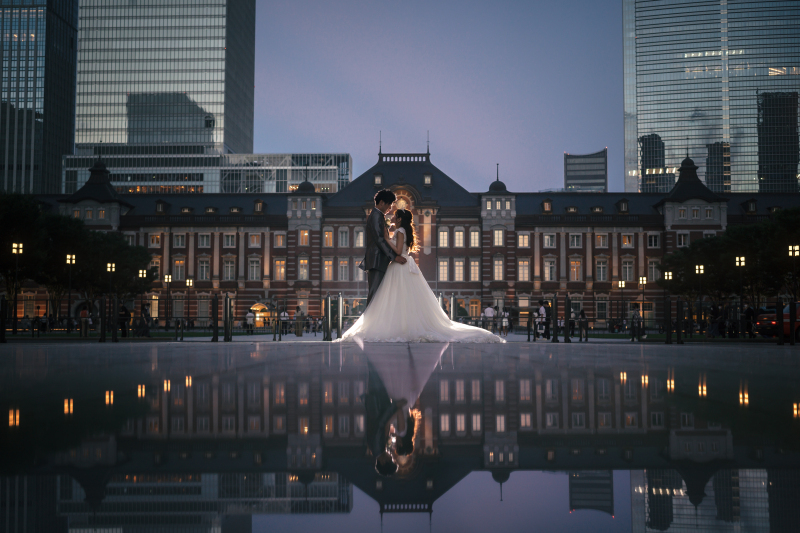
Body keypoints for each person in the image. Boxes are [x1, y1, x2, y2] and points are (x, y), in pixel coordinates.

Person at [336, 209, 503, 343]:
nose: (393, 218)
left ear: (399, 219)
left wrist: (386, 239)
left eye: (395, 216)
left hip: (399, 264)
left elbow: (398, 250)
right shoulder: (404, 230)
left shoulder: (400, 231)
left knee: (395, 297)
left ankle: (399, 327)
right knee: (406, 298)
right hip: (405, 264)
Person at [359, 189, 407, 310]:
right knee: (375, 294)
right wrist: (394, 257)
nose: (390, 208)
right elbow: (379, 239)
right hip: (377, 261)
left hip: (379, 260)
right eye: (389, 205)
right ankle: (369, 320)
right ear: (381, 203)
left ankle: (372, 319)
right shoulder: (376, 216)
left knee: (378, 294)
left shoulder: (378, 216)